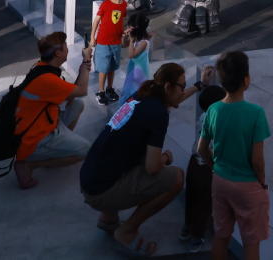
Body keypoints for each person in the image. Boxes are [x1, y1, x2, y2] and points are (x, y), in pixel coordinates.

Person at [79, 63, 199, 256]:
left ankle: (108, 218)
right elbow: (152, 168)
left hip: (89, 179)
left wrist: (200, 85)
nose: (183, 91)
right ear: (168, 87)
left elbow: (176, 99)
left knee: (125, 155)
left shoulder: (141, 96)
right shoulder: (158, 113)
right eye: (182, 86)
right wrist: (166, 157)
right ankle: (127, 230)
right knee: (176, 178)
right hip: (100, 191)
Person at [199, 50, 272, 260]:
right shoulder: (256, 113)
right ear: (246, 80)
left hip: (220, 181)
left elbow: (201, 149)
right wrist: (262, 182)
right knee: (251, 240)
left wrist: (215, 166)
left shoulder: (213, 110)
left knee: (221, 235)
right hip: (247, 186)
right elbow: (257, 160)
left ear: (221, 81)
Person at [13, 31, 92, 190]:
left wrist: (83, 67)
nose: (68, 49)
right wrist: (86, 60)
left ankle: (57, 149)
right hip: (35, 137)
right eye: (65, 47)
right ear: (58, 53)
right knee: (86, 151)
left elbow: (71, 94)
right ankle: (31, 164)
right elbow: (82, 90)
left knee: (77, 104)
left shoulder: (41, 68)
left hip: (41, 122)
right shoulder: (47, 79)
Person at [181, 82, 226, 249]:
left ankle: (186, 227)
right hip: (207, 166)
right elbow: (214, 148)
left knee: (192, 197)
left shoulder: (203, 117)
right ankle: (196, 236)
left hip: (194, 163)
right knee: (205, 202)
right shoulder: (217, 122)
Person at [91, 0, 129, 105]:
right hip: (103, 42)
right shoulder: (106, 4)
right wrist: (92, 37)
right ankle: (101, 91)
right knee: (103, 68)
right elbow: (96, 21)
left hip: (116, 42)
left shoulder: (124, 5)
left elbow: (121, 21)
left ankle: (109, 89)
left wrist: (123, 33)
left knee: (112, 66)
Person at [116, 12, 153, 106]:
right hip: (133, 67)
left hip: (140, 70)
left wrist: (132, 40)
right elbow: (123, 45)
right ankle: (128, 102)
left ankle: (133, 104)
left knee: (135, 88)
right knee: (129, 85)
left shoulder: (144, 42)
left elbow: (131, 54)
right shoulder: (137, 37)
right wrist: (124, 37)